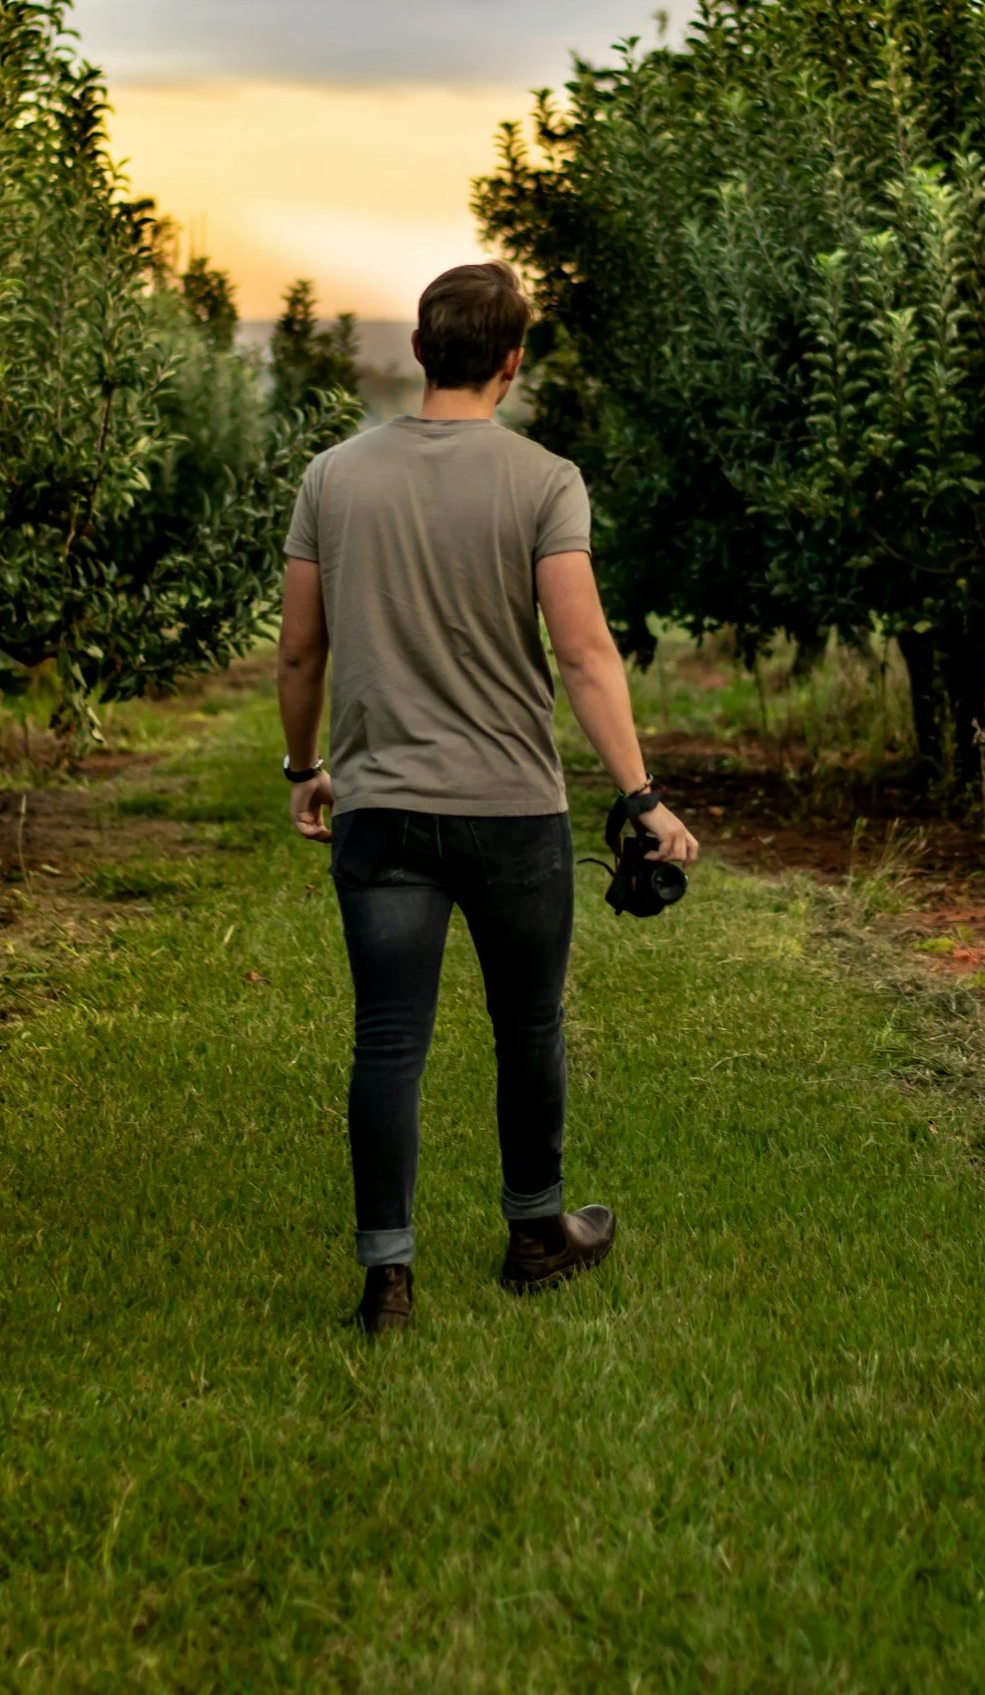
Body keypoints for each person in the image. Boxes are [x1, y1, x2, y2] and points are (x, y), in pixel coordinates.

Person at [277, 260, 699, 1335]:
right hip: (512, 809)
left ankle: (386, 1279)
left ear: (419, 351)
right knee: (526, 1027)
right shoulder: (544, 479)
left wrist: (303, 767)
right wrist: (640, 794)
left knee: (386, 1039)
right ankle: (534, 1235)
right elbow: (585, 653)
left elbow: (297, 653)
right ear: (512, 364)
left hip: (378, 809)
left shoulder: (333, 477)